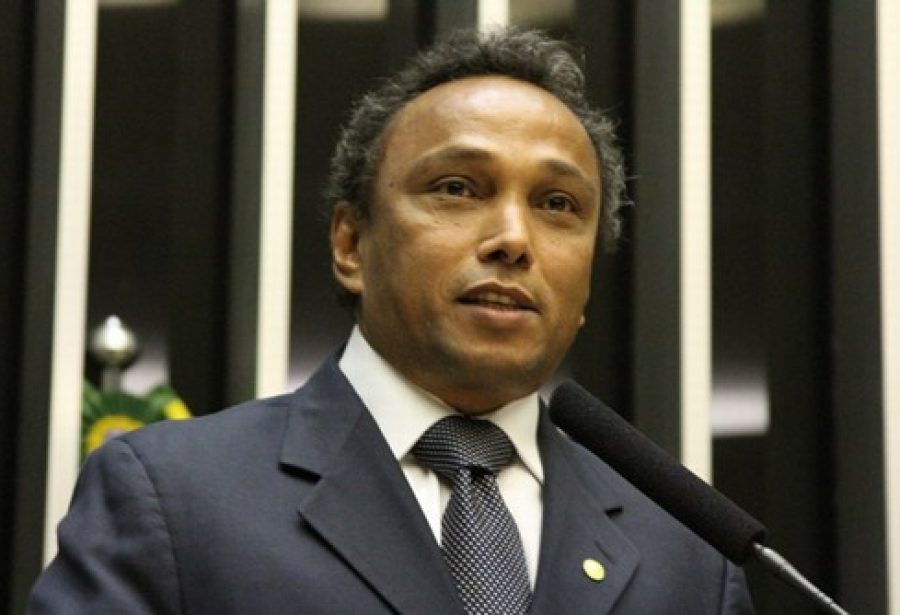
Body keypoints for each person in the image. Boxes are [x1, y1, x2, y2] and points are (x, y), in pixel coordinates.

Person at [28, 28, 753, 614]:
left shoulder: (689, 557)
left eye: (558, 205)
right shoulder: (173, 497)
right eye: (457, 188)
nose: (514, 238)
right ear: (351, 244)